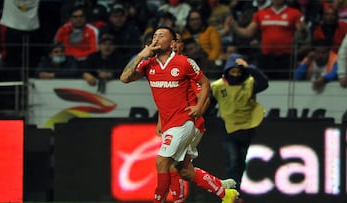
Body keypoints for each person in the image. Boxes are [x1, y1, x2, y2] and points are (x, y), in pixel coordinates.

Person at [120, 26, 239, 203]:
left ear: (173, 42)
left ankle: (168, 200)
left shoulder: (184, 63)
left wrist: (199, 108)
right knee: (183, 170)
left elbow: (204, 87)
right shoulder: (148, 64)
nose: (157, 38)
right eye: (155, 36)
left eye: (162, 36)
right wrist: (140, 56)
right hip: (170, 123)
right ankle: (223, 191)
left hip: (186, 121)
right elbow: (124, 78)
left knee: (163, 162)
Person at [208, 53, 269, 195]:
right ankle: (230, 192)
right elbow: (209, 105)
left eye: (238, 72)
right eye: (232, 72)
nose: (235, 75)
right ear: (227, 71)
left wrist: (249, 68)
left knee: (241, 161)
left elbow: (264, 83)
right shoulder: (217, 86)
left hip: (247, 127)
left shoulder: (249, 83)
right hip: (228, 127)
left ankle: (236, 190)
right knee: (233, 159)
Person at [227, 0, 308, 80]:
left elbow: (302, 35)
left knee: (284, 84)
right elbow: (248, 33)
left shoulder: (294, 13)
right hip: (266, 57)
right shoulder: (261, 13)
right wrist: (234, 27)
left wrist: (303, 30)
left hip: (286, 57)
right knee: (265, 83)